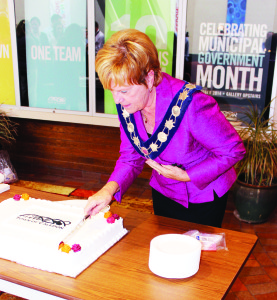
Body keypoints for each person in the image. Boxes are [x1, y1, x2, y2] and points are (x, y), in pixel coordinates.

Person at [85, 29, 245, 228]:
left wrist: (186, 176)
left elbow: (233, 150)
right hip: (164, 191)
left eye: (124, 91)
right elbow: (130, 157)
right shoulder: (128, 103)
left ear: (149, 78)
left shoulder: (191, 104)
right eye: (112, 91)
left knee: (200, 256)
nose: (117, 100)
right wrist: (107, 191)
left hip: (202, 195)